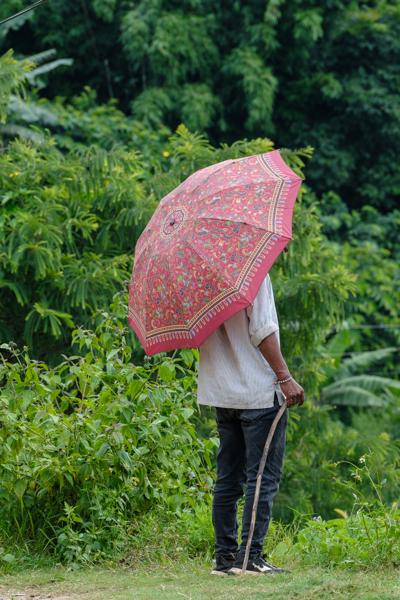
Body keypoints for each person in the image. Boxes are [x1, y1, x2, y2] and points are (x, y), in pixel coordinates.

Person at [197, 272, 305, 576]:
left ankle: (225, 557)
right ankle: (250, 557)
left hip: (222, 390)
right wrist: (285, 377)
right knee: (262, 477)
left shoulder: (201, 281)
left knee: (228, 477)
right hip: (257, 391)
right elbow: (261, 330)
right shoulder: (251, 272)